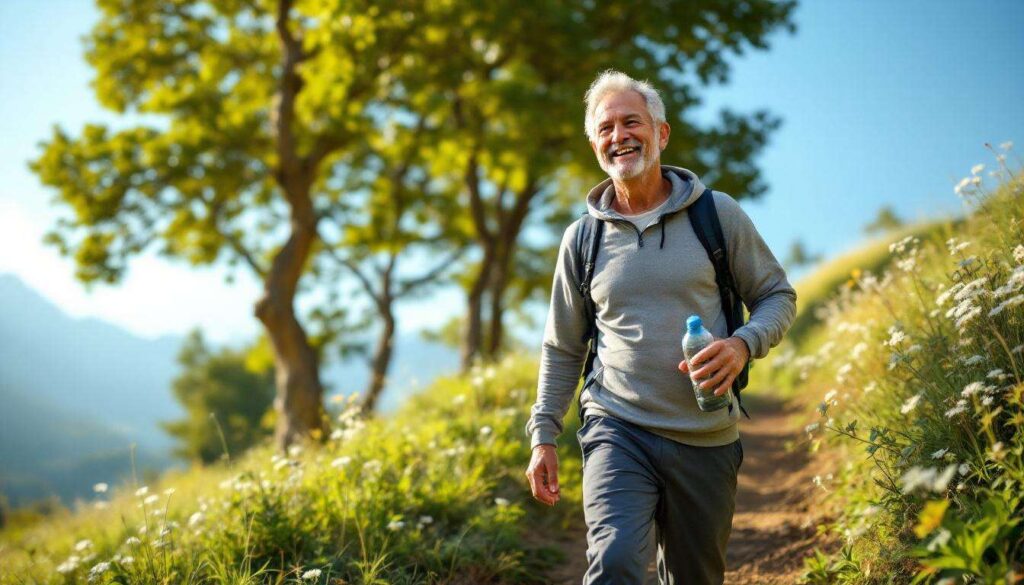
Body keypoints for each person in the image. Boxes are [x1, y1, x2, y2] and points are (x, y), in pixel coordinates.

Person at [524, 70, 797, 585]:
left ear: (661, 133)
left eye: (632, 122)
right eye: (606, 128)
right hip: (617, 426)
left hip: (707, 435)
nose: (619, 136)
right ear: (594, 144)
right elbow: (562, 346)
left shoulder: (716, 215)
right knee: (616, 564)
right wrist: (543, 435)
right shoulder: (581, 240)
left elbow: (777, 296)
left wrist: (742, 346)